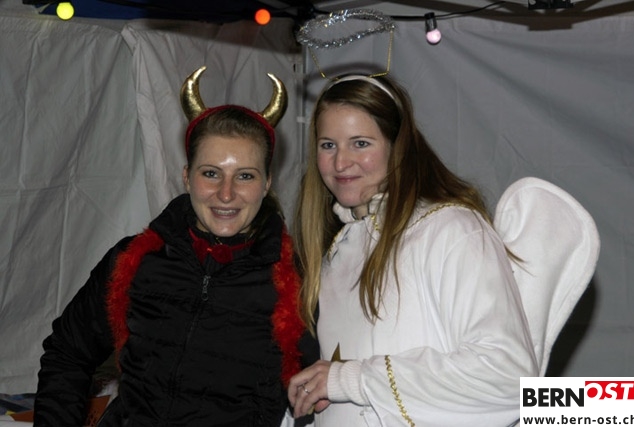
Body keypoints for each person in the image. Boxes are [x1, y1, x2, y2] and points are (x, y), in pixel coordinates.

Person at [34, 66, 316, 427]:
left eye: (245, 176)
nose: (226, 193)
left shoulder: (296, 282)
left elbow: (317, 395)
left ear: (267, 183)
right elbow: (67, 353)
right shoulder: (134, 260)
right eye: (210, 173)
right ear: (187, 176)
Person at [287, 74, 538, 426]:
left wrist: (352, 379)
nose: (341, 162)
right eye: (328, 145)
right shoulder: (335, 252)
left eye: (360, 143)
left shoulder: (449, 229)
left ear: (398, 146)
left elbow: (508, 377)